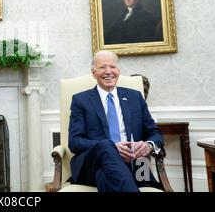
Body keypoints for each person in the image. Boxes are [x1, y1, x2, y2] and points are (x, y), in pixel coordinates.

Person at [68, 51, 163, 192]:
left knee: (104, 176)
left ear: (118, 71)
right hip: (91, 164)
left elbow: (154, 133)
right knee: (107, 145)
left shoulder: (135, 97)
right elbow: (75, 142)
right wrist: (111, 148)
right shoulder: (81, 100)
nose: (108, 72)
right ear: (93, 72)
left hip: (133, 164)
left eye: (112, 67)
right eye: (102, 67)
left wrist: (148, 145)